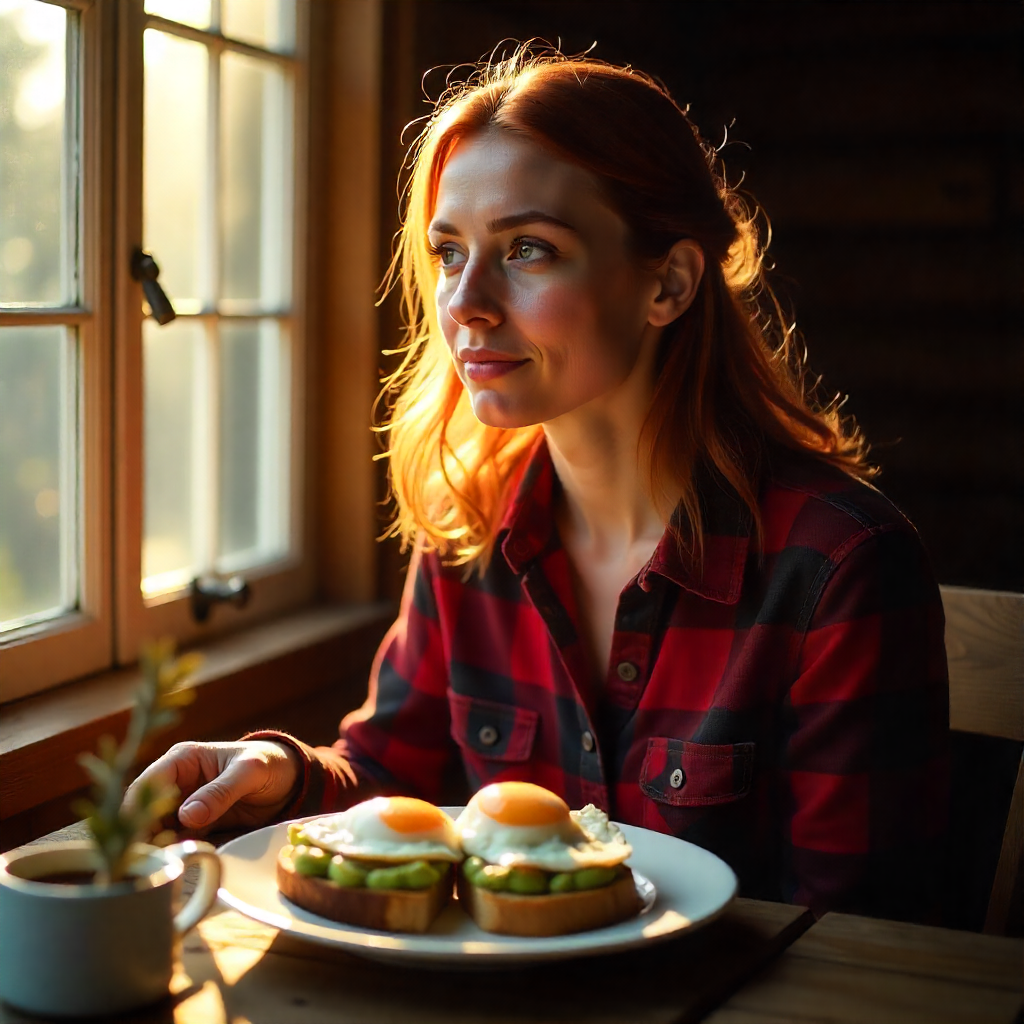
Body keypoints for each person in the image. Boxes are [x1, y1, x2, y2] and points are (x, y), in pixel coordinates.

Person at [128, 47, 949, 921]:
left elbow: (857, 937)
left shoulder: (840, 567)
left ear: (667, 283)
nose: (466, 303)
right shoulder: (467, 532)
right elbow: (387, 784)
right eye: (449, 253)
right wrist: (287, 775)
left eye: (528, 248)